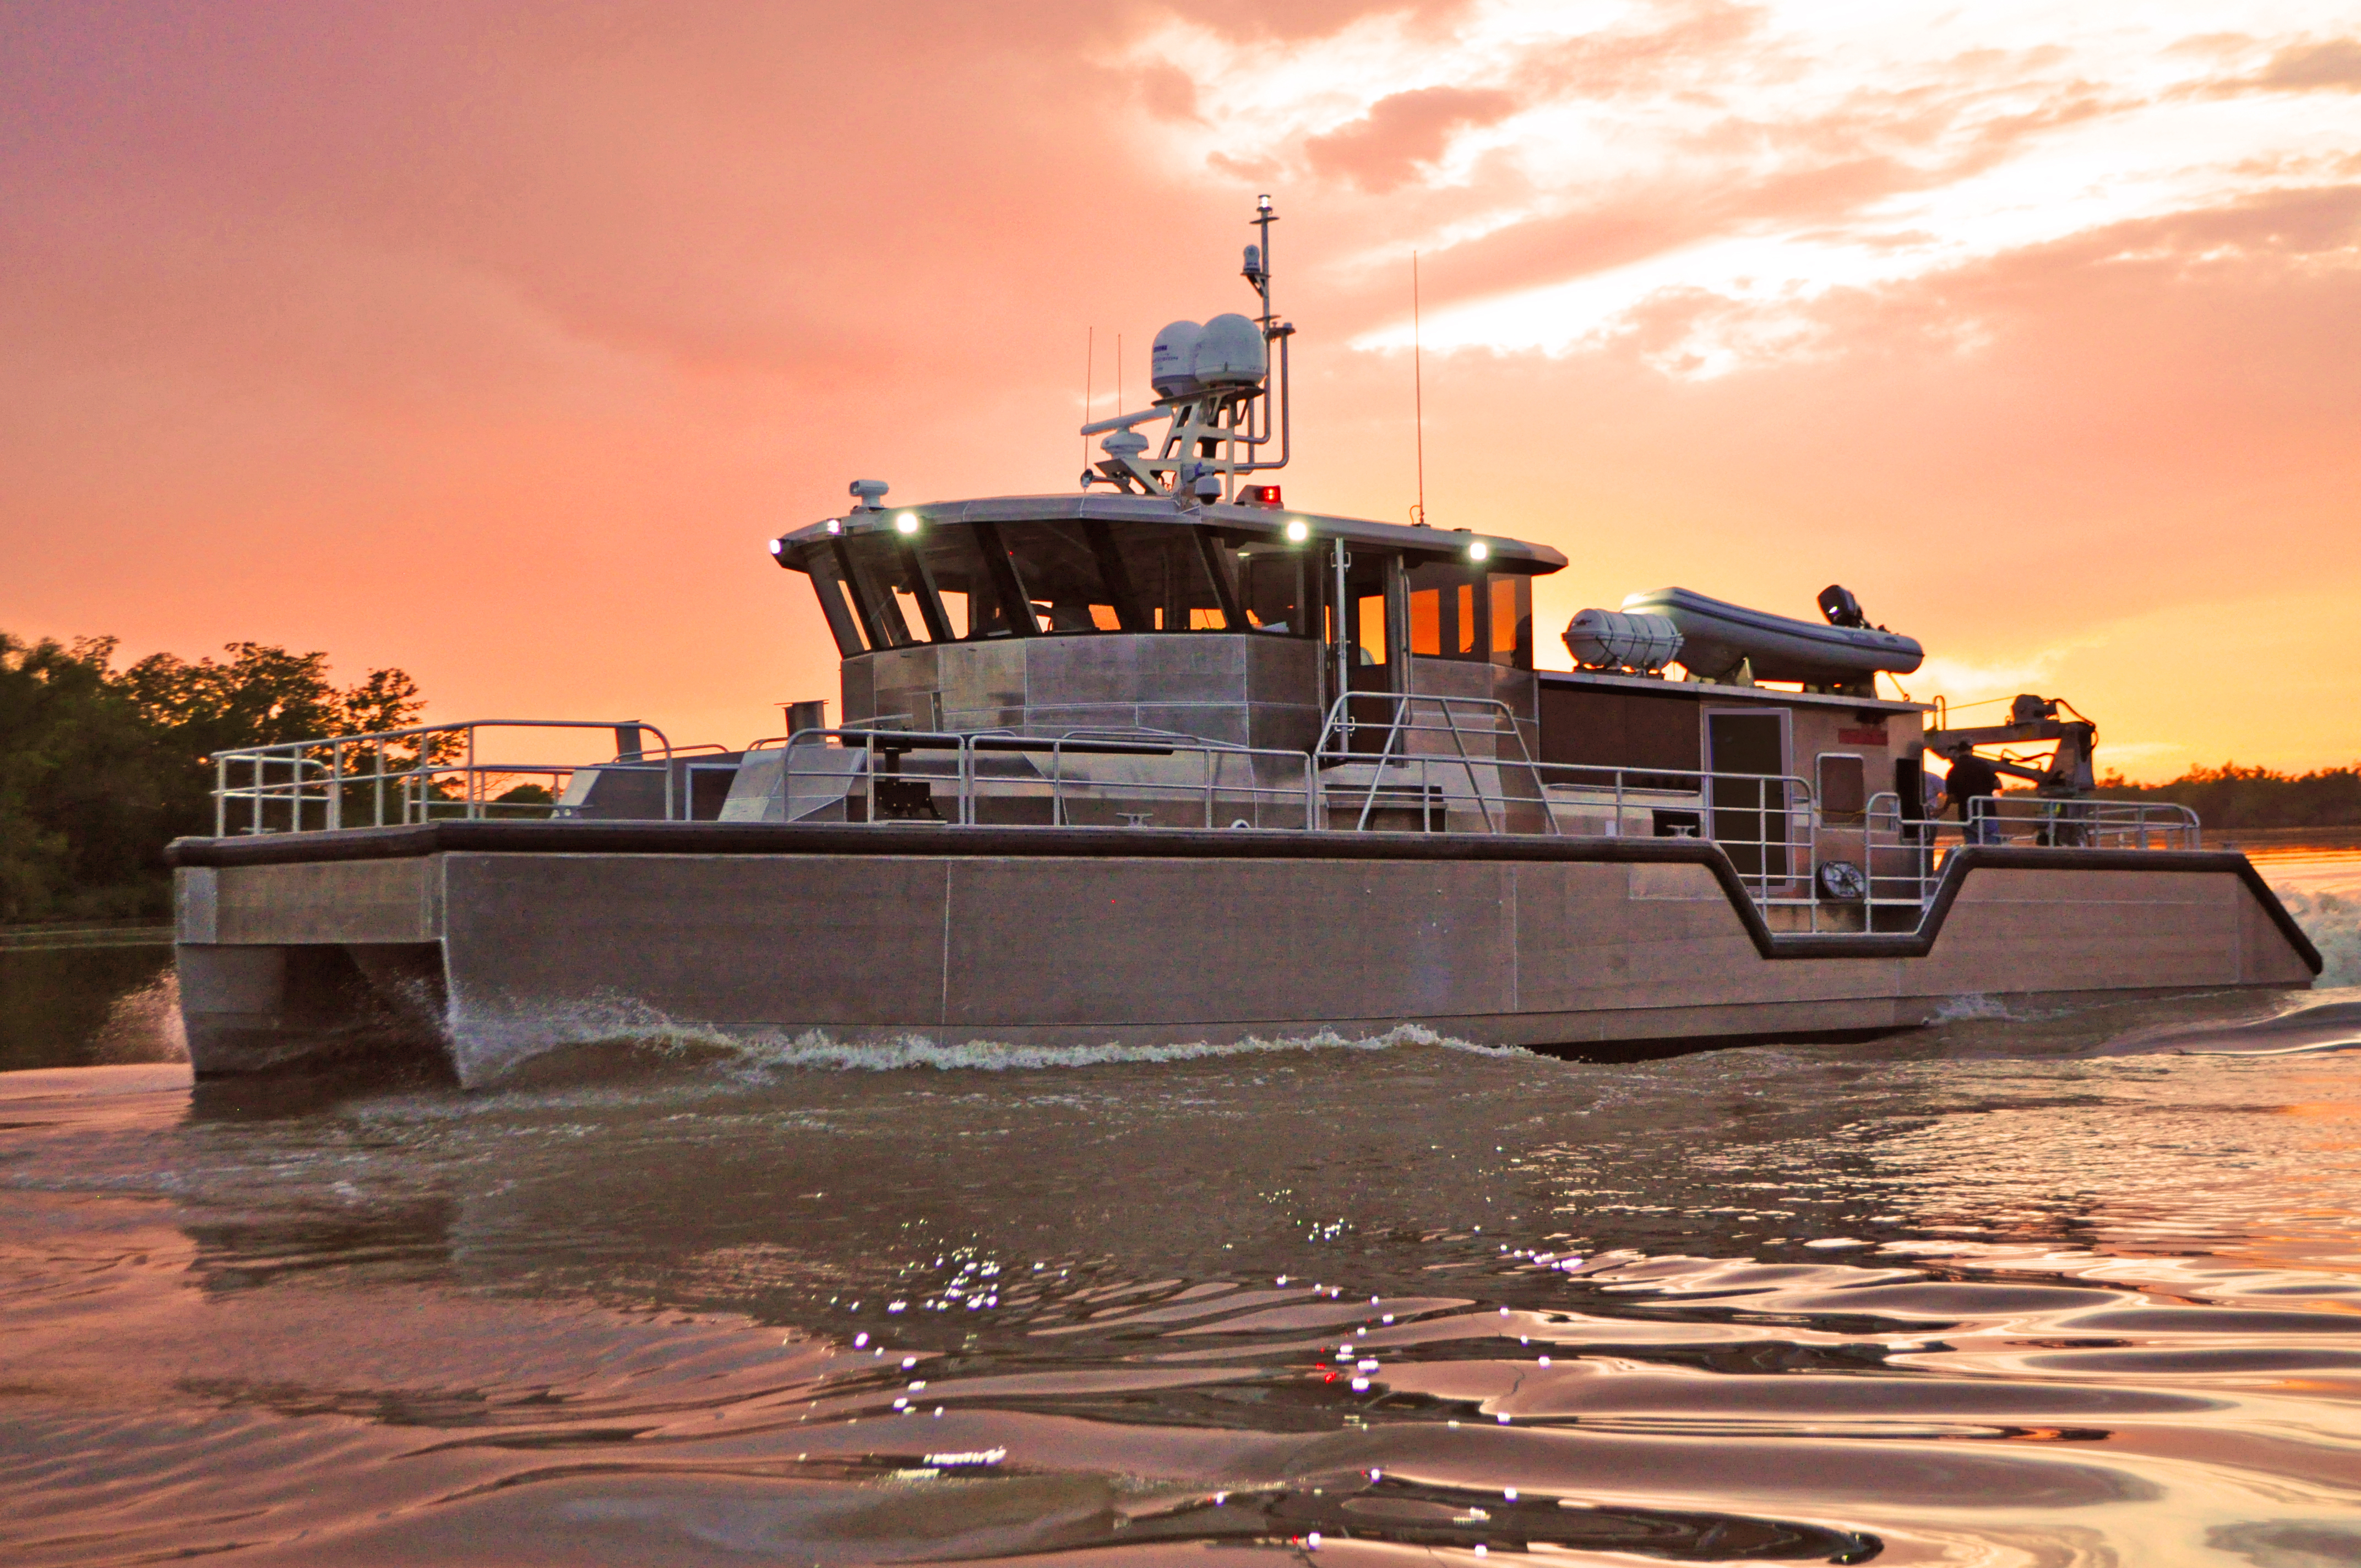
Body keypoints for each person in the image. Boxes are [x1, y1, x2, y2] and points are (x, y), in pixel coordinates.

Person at [1940, 743, 2003, 845]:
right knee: (1992, 848)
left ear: (1958, 752)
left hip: (1967, 816)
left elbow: (1952, 799)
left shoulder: (1953, 771)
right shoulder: (1983, 764)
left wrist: (1945, 808)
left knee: (1973, 849)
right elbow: (1998, 785)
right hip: (1986, 812)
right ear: (1971, 750)